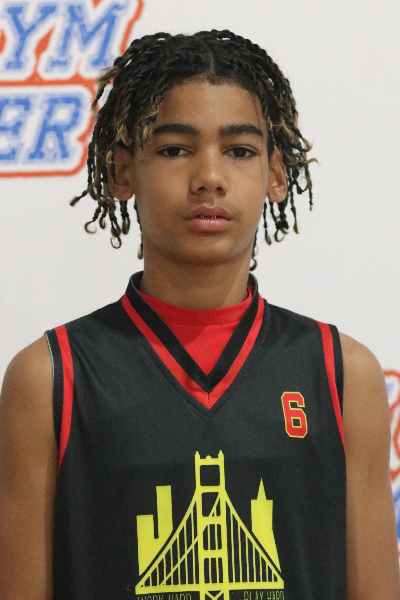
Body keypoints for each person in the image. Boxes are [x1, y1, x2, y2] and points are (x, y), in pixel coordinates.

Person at [0, 30, 398, 600]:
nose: (210, 176)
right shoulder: (50, 377)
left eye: (239, 151)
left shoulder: (343, 374)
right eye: (174, 149)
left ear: (277, 173)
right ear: (120, 171)